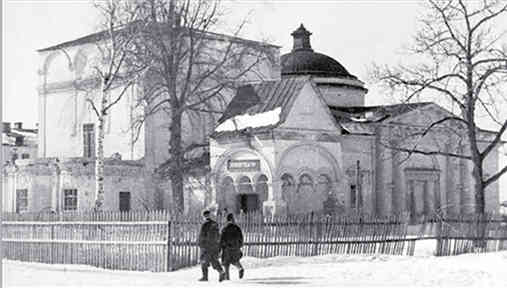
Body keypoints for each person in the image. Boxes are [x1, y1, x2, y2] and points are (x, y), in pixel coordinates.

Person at [198, 210, 226, 282]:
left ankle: (205, 277)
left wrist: (200, 244)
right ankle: (221, 272)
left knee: (203, 261)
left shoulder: (204, 224)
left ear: (204, 216)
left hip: (206, 246)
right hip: (215, 245)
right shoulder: (215, 223)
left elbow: (202, 235)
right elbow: (218, 235)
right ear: (209, 215)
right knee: (214, 260)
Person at [219, 213, 245, 280]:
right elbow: (241, 237)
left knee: (226, 263)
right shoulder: (237, 227)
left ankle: (227, 278)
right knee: (235, 260)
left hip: (227, 248)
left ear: (227, 220)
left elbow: (221, 238)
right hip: (236, 247)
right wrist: (239, 245)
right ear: (232, 219)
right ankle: (240, 268)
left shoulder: (225, 228)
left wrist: (220, 247)